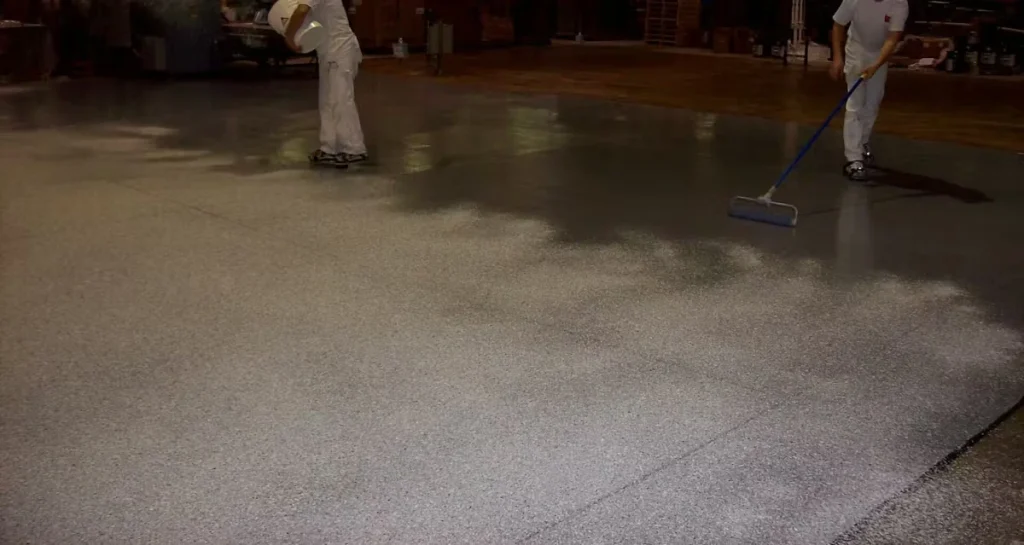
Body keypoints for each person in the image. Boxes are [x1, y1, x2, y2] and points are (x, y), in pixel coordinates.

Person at [830, 0, 908, 181]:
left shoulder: (899, 3)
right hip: (856, 50)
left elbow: (893, 38)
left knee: (873, 103)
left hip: (880, 53)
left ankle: (862, 141)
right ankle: (853, 158)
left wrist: (876, 65)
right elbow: (838, 24)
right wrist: (837, 58)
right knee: (855, 105)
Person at [284, 0, 368, 166]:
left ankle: (354, 148)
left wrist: (289, 37)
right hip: (327, 51)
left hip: (340, 49)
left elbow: (301, 11)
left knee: (341, 99)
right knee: (327, 101)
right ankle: (329, 147)